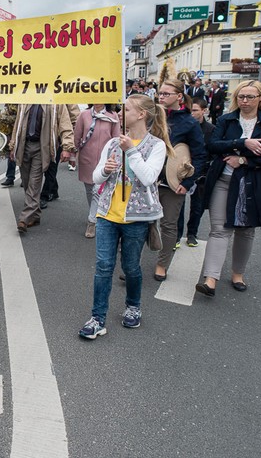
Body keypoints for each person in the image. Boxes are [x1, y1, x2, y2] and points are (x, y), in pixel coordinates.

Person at [79, 95, 171, 340]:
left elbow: (148, 177)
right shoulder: (112, 143)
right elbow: (97, 176)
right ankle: (97, 318)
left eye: (127, 108)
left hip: (137, 217)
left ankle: (133, 306)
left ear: (141, 114)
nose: (121, 111)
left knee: (130, 267)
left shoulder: (156, 145)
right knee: (103, 267)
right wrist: (105, 170)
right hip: (108, 213)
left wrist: (131, 150)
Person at [195, 81, 261, 297]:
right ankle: (210, 278)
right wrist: (244, 143)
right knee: (219, 229)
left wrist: (243, 160)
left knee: (246, 230)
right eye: (241, 96)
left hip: (252, 183)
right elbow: (213, 145)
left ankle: (237, 273)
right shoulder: (226, 119)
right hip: (223, 181)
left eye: (250, 97)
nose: (244, 100)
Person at [153, 79, 206, 281]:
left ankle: (162, 264)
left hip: (172, 183)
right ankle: (131, 264)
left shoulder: (189, 122)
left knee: (168, 225)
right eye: (160, 93)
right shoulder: (151, 116)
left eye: (167, 93)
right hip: (148, 179)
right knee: (141, 222)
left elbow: (200, 156)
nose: (162, 96)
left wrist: (187, 183)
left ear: (179, 97)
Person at [9, 103, 74, 233]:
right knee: (27, 182)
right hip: (24, 146)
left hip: (42, 148)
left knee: (34, 183)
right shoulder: (26, 99)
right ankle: (35, 215)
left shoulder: (55, 102)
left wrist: (67, 147)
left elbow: (65, 126)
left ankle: (24, 218)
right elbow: (17, 124)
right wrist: (13, 145)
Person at [73, 104, 121, 238]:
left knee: (97, 191)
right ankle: (94, 212)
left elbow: (116, 138)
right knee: (90, 189)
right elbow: (77, 135)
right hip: (86, 157)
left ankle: (92, 221)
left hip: (105, 160)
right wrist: (72, 154)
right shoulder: (84, 115)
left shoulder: (113, 116)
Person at [176, 98, 215, 247]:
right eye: (190, 110)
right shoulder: (184, 126)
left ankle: (192, 233)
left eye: (195, 110)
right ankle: (177, 236)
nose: (192, 113)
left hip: (201, 173)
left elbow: (212, 151)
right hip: (182, 171)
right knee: (178, 205)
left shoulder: (210, 129)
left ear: (204, 111)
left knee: (197, 206)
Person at [0, 104, 19, 187]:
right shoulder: (9, 104)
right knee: (11, 155)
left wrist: (5, 118)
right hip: (11, 132)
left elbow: (17, 117)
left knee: (24, 157)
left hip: (21, 131)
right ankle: (10, 177)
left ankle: (25, 179)